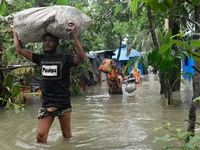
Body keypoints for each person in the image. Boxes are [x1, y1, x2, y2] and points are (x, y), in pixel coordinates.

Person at [10, 22, 86, 143]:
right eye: (45, 40)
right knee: (40, 136)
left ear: (57, 43)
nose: (47, 42)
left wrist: (74, 35)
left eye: (50, 40)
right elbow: (20, 49)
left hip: (63, 103)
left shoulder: (65, 58)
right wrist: (15, 32)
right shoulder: (40, 59)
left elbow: (82, 58)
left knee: (67, 136)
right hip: (47, 103)